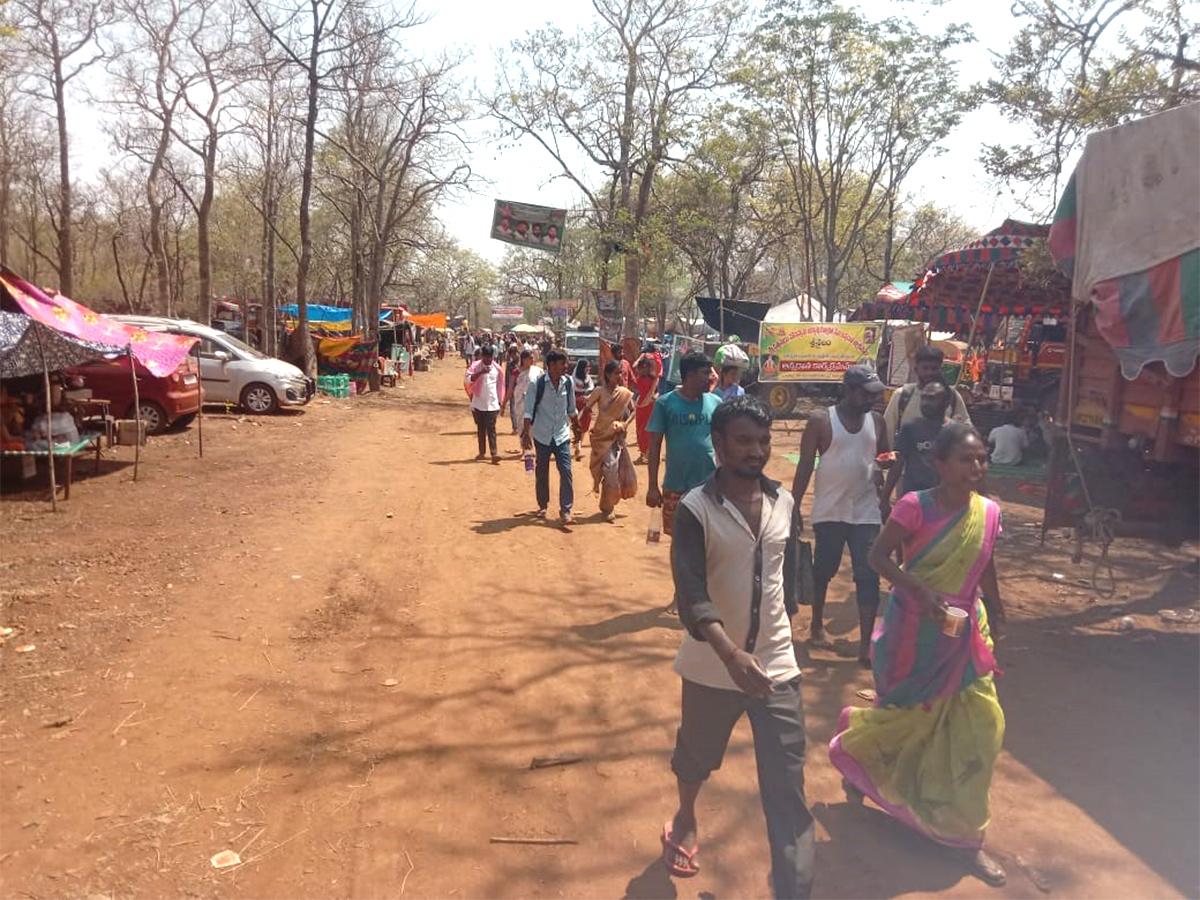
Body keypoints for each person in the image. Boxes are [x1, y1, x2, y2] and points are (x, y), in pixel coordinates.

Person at [830, 423, 1008, 887]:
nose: (977, 467)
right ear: (940, 464)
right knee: (907, 718)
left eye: (982, 459)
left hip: (967, 630)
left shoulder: (988, 512)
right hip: (915, 630)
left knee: (983, 727)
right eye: (967, 459)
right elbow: (877, 557)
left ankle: (966, 837)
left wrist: (1000, 613)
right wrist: (922, 592)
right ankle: (860, 757)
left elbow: (985, 564)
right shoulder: (916, 506)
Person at [662, 396, 814, 899]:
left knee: (788, 787)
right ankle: (685, 817)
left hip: (776, 667)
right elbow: (691, 592)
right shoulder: (695, 509)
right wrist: (730, 653)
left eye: (764, 441)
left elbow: (785, 576)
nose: (757, 450)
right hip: (712, 665)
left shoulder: (784, 503)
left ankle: (793, 890)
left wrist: (786, 628)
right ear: (720, 445)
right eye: (745, 441)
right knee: (696, 757)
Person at [792, 365, 890, 666]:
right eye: (867, 393)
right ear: (848, 390)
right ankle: (817, 623)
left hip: (866, 510)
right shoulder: (821, 421)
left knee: (868, 574)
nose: (873, 399)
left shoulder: (877, 421)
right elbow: (806, 465)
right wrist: (792, 506)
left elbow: (885, 456)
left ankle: (864, 646)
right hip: (830, 509)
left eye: (875, 393)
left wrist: (885, 472)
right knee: (824, 568)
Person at [646, 351, 721, 539]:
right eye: (705, 373)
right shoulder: (666, 403)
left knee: (709, 540)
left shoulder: (716, 403)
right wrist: (653, 486)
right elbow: (654, 446)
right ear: (690, 375)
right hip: (676, 487)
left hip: (710, 487)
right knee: (680, 542)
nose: (711, 378)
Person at [521, 349, 583, 527]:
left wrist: (577, 428)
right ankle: (542, 504)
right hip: (542, 434)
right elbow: (528, 410)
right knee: (542, 472)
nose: (566, 366)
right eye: (563, 363)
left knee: (566, 471)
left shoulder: (568, 383)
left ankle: (565, 510)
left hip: (562, 434)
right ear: (552, 365)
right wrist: (526, 433)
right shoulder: (536, 383)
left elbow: (571, 409)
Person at [579, 360, 635, 521]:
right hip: (599, 437)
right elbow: (587, 409)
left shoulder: (624, 393)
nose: (620, 376)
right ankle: (606, 502)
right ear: (608, 375)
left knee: (611, 470)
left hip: (615, 437)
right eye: (617, 373)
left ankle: (608, 506)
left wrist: (624, 424)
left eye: (621, 373)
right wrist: (577, 425)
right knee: (604, 471)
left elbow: (633, 411)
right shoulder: (599, 391)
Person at [883, 345, 971, 445]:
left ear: (941, 370)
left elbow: (965, 430)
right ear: (916, 369)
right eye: (925, 368)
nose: (929, 373)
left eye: (934, 368)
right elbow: (887, 432)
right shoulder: (902, 395)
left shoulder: (951, 396)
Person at [884, 381, 952, 501]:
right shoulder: (910, 428)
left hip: (945, 503)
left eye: (932, 399)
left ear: (946, 402)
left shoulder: (957, 432)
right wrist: (885, 498)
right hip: (913, 501)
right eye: (923, 398)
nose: (925, 403)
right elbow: (897, 465)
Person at [465, 345, 505, 464]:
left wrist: (500, 401)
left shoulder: (497, 369)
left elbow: (501, 386)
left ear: (493, 357)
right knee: (481, 429)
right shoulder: (475, 366)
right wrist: (480, 372)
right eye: (486, 358)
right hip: (478, 403)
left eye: (490, 358)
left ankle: (494, 453)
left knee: (491, 429)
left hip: (492, 403)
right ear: (482, 356)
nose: (488, 360)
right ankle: (482, 452)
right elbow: (467, 380)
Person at [510, 349, 542, 436]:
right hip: (520, 403)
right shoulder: (516, 372)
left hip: (534, 402)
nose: (532, 360)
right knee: (521, 424)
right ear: (524, 360)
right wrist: (503, 404)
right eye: (530, 358)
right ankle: (525, 447)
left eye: (533, 358)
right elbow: (510, 388)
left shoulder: (538, 371)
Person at [633, 357, 657, 465]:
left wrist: (654, 397)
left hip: (650, 406)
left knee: (647, 430)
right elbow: (636, 392)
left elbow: (657, 392)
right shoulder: (638, 379)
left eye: (644, 367)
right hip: (640, 406)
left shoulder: (654, 380)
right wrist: (641, 357)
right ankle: (643, 454)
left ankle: (648, 454)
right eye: (641, 367)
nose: (642, 369)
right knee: (639, 429)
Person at [571, 358, 595, 461]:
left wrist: (588, 397)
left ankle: (578, 445)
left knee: (585, 425)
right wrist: (577, 398)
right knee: (576, 425)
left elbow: (591, 390)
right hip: (575, 404)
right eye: (586, 367)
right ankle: (578, 448)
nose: (588, 369)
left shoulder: (588, 379)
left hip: (586, 405)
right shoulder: (573, 380)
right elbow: (571, 391)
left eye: (589, 367)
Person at [502, 344, 522, 434]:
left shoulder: (523, 363)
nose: (513, 357)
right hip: (512, 389)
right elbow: (507, 378)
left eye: (514, 354)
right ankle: (515, 427)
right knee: (513, 408)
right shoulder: (510, 365)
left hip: (522, 389)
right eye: (511, 355)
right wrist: (507, 388)